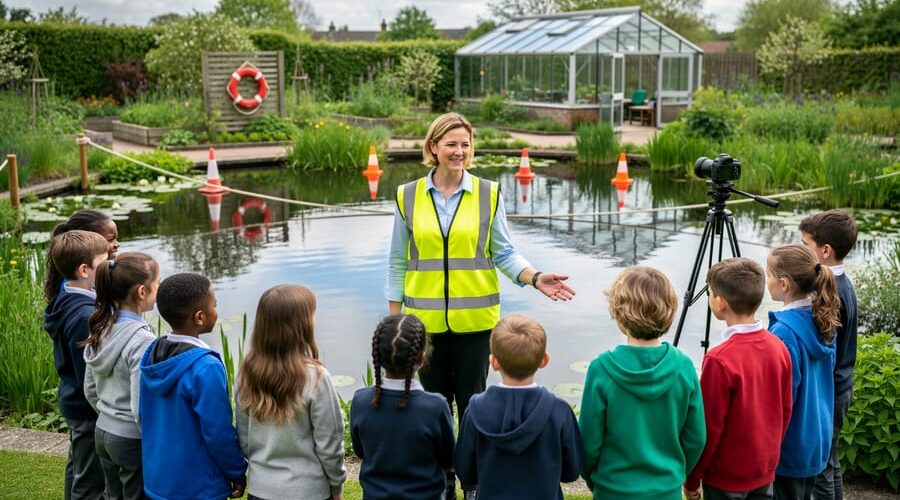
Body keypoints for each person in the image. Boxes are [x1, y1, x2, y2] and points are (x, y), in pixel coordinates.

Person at [386, 112, 575, 429]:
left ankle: (473, 477)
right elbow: (396, 261)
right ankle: (442, 477)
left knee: (474, 407)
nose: (459, 151)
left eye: (465, 144)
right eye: (451, 144)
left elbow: (504, 252)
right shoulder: (407, 195)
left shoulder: (489, 193)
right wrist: (395, 320)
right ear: (433, 147)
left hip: (476, 325)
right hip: (424, 324)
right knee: (433, 408)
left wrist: (535, 277)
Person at [579, 266, 706, 500]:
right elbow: (696, 437)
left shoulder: (601, 369)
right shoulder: (684, 367)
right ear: (670, 310)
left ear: (618, 312)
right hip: (666, 490)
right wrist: (675, 474)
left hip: (612, 490)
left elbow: (588, 441)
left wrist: (592, 477)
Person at [684, 258, 793, 500]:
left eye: (710, 293)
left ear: (720, 304)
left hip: (726, 477)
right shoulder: (778, 347)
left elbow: (708, 428)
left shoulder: (719, 359)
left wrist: (692, 478)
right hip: (764, 469)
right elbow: (785, 410)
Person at [139, 273, 247, 500]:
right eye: (215, 305)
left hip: (159, 480)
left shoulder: (153, 353)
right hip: (198, 486)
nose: (217, 310)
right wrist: (237, 470)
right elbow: (218, 431)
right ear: (199, 316)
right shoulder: (205, 367)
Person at [235, 284, 346, 500]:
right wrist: (336, 486)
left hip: (261, 490)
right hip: (309, 491)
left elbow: (244, 439)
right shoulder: (316, 377)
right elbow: (330, 445)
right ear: (301, 326)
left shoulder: (245, 374)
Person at [454, 314, 582, 500]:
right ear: (544, 360)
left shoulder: (475, 409)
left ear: (494, 362)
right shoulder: (559, 411)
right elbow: (572, 471)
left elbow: (465, 472)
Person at [351, 314, 455, 500]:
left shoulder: (360, 401)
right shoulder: (435, 407)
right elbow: (448, 458)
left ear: (378, 356)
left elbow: (360, 450)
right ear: (421, 357)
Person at [83, 252, 159, 500]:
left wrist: (108, 415)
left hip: (103, 431)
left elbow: (90, 388)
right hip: (130, 438)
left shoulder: (101, 327)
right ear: (141, 292)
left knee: (113, 495)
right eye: (157, 283)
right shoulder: (142, 340)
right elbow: (140, 404)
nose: (159, 288)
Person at [766, 244, 840, 499]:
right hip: (816, 438)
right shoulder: (824, 319)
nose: (766, 281)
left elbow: (780, 400)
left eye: (768, 275)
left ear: (784, 284)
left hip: (791, 447)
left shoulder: (784, 333)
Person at [44, 230, 110, 500]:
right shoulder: (84, 315)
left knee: (79, 466)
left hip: (73, 400)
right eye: (105, 262)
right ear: (85, 269)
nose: (110, 266)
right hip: (86, 409)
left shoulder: (66, 298)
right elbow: (88, 375)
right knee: (90, 481)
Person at [799, 210, 859, 500]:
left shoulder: (829, 292)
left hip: (830, 389)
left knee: (821, 466)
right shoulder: (844, 283)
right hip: (841, 385)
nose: (801, 250)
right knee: (830, 462)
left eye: (805, 245)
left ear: (824, 251)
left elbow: (824, 348)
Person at [44, 209, 120, 304]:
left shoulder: (80, 275)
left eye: (117, 238)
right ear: (87, 240)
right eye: (110, 239)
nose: (117, 244)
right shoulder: (74, 286)